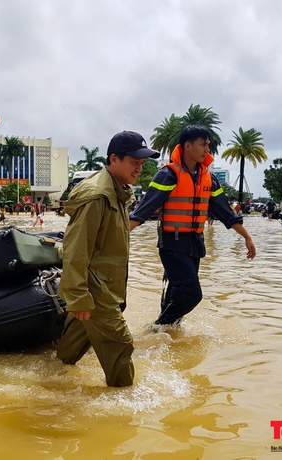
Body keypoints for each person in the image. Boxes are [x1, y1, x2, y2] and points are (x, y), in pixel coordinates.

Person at [57, 130, 160, 387]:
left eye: (142, 164)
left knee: (65, 357)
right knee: (120, 345)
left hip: (104, 288)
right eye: (134, 163)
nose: (139, 169)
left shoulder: (120, 192)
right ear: (114, 159)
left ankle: (50, 382)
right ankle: (124, 407)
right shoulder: (97, 196)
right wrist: (78, 296)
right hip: (95, 289)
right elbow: (76, 249)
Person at [130, 125, 256, 327]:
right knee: (193, 294)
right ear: (187, 146)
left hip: (195, 244)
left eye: (209, 145)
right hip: (172, 245)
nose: (208, 149)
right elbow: (141, 212)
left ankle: (169, 335)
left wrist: (247, 237)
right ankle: (157, 328)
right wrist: (115, 236)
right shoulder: (168, 175)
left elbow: (226, 212)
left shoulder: (209, 178)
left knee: (178, 293)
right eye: (203, 144)